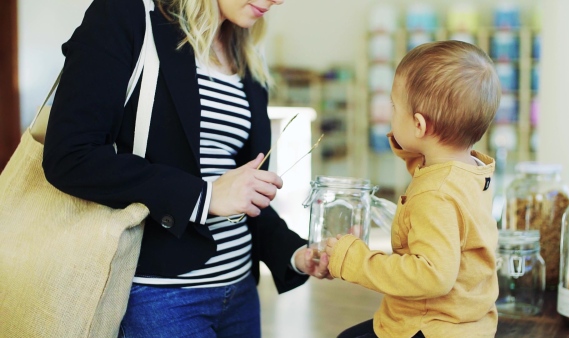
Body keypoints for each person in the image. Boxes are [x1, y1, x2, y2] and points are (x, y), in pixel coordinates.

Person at [42, 0, 330, 337]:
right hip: (158, 298)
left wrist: (296, 252)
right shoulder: (128, 15)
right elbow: (71, 155)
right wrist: (203, 196)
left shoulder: (247, 54)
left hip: (240, 292)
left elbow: (244, 189)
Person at [324, 40, 502, 338]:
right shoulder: (470, 170)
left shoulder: (435, 195)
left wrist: (355, 260)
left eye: (395, 107)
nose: (391, 115)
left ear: (419, 125)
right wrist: (408, 142)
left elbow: (432, 276)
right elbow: (428, 167)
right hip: (469, 322)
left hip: (429, 327)